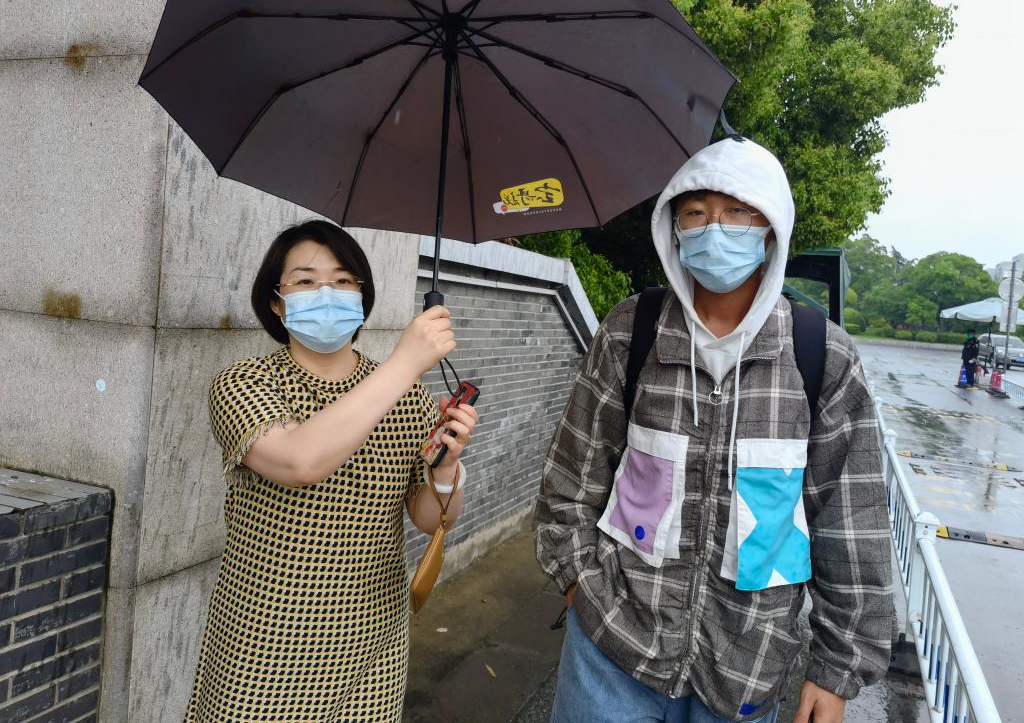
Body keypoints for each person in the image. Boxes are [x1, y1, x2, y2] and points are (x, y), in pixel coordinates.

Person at [535, 136, 893, 723]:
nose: (714, 229)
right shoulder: (632, 332)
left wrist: (837, 669)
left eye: (738, 212)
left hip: (747, 666)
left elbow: (849, 521)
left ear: (771, 230)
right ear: (673, 229)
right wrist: (578, 585)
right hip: (613, 651)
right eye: (696, 213)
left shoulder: (820, 355)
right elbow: (571, 476)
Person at [185, 220, 479, 723]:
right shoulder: (244, 383)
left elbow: (430, 518)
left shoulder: (408, 398)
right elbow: (300, 461)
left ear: (362, 296)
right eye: (305, 280)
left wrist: (447, 466)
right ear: (276, 302)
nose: (327, 293)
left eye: (343, 281)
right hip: (262, 648)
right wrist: (404, 364)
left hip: (371, 651)